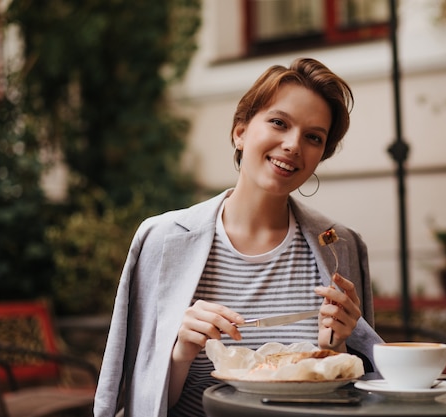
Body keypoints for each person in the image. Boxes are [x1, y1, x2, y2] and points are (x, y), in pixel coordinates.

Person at [93, 57, 384, 417]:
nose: (293, 145)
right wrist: (182, 350)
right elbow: (137, 400)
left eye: (313, 137)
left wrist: (336, 349)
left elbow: (361, 392)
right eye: (279, 122)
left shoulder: (340, 245)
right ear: (240, 131)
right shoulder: (163, 240)